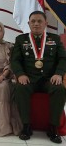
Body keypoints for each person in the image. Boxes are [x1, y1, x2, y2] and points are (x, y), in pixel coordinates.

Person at [11, 11, 66, 144]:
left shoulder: (55, 39)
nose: (36, 24)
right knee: (20, 88)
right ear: (28, 24)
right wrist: (20, 74)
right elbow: (15, 60)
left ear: (45, 23)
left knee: (59, 89)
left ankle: (53, 128)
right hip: (29, 78)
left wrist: (59, 73)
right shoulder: (21, 39)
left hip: (49, 79)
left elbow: (63, 58)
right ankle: (26, 126)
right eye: (33, 21)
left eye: (39, 21)